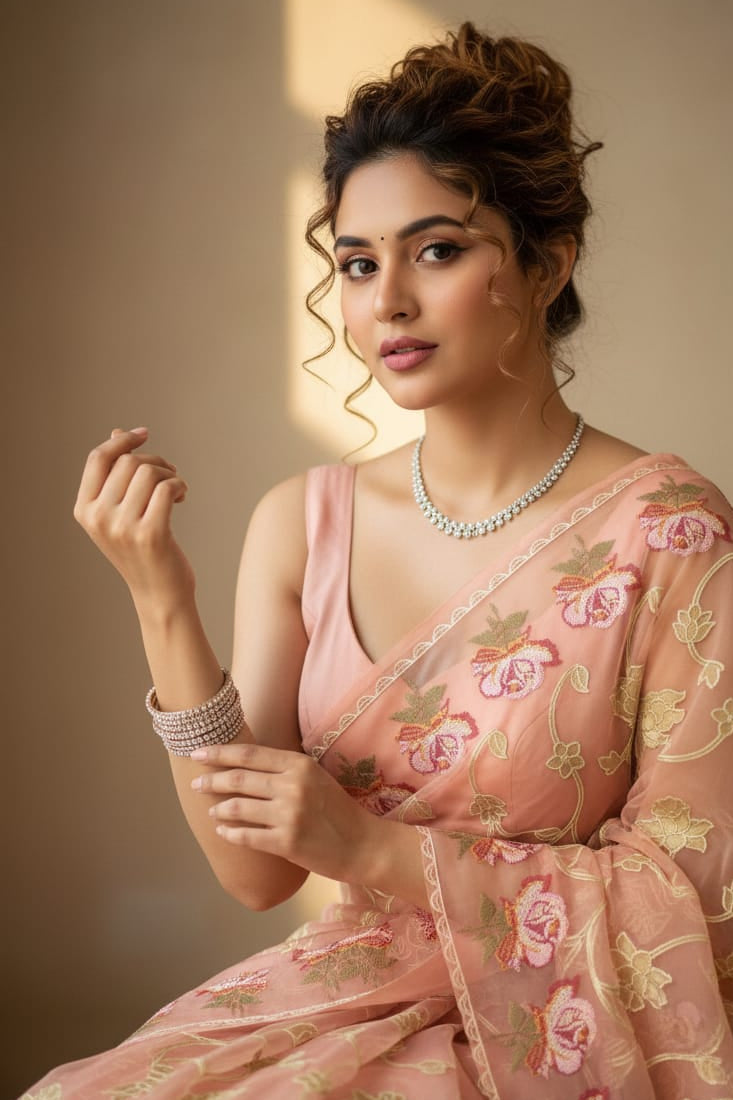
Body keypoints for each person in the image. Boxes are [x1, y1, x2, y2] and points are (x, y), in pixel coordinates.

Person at [23, 22, 733, 1100]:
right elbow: (253, 870)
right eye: (357, 264)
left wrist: (371, 848)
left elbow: (695, 893)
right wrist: (160, 598)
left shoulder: (672, 533)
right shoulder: (304, 520)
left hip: (552, 1036)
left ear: (547, 261)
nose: (385, 300)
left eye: (436, 249)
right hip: (336, 996)